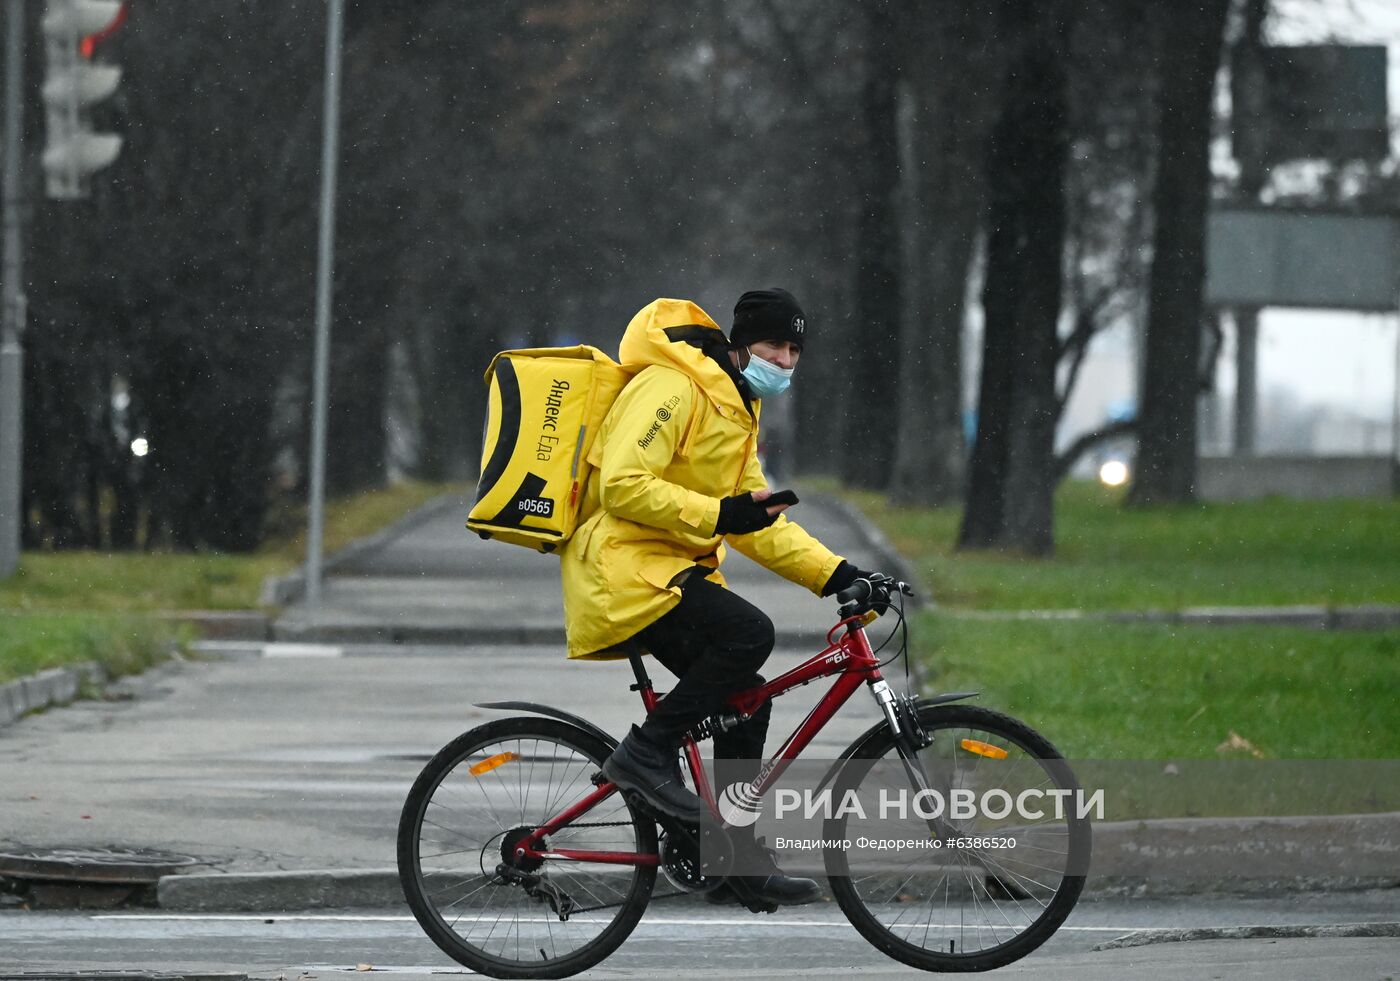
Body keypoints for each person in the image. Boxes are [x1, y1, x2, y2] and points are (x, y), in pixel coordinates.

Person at [559, 289, 882, 907]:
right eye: (772, 346)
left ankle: (734, 859)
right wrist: (720, 512)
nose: (784, 360)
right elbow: (624, 485)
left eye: (794, 349)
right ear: (739, 346)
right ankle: (645, 755)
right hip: (622, 569)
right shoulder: (674, 387)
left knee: (747, 703)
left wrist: (837, 573)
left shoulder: (737, 408)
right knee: (749, 633)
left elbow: (755, 522)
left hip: (664, 569)